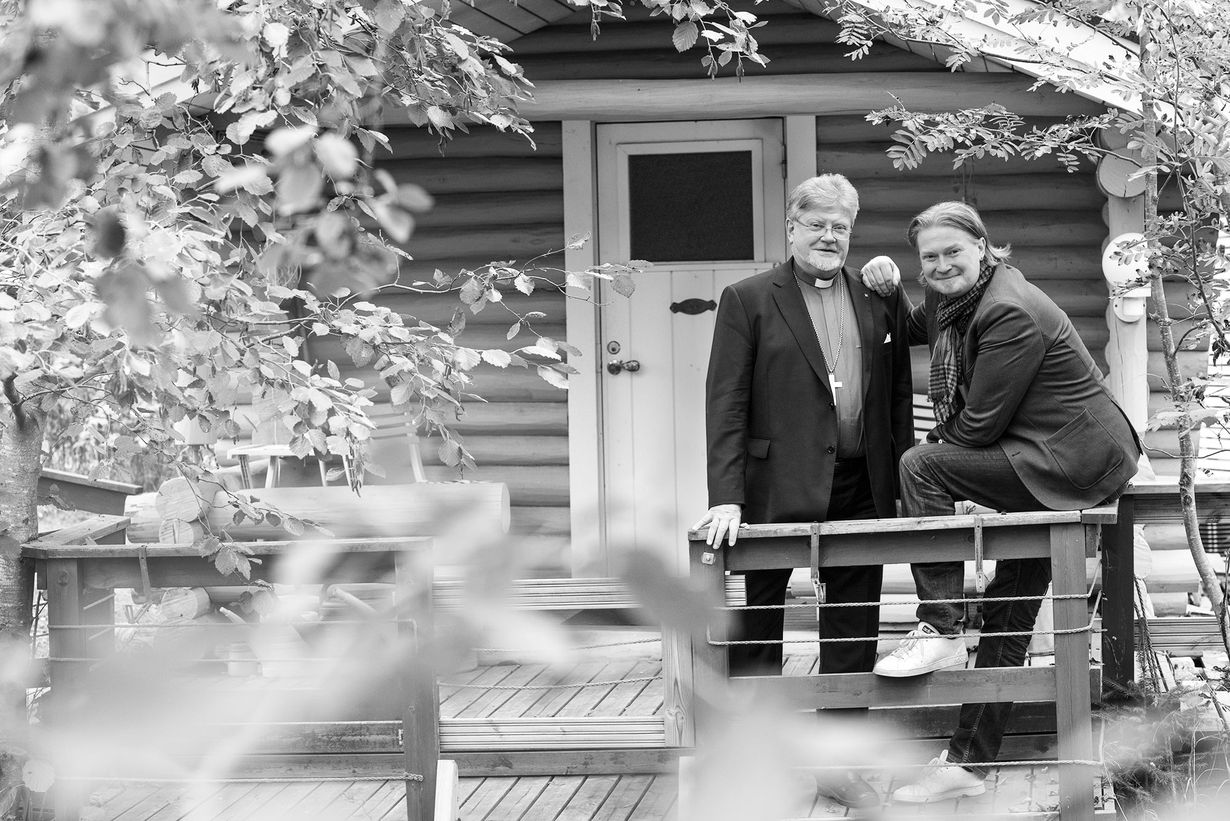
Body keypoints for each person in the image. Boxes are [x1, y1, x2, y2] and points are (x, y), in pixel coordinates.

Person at [860, 201, 1140, 802]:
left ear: (983, 246)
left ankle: (939, 624)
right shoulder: (956, 298)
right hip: (1037, 455)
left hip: (1073, 460)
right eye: (929, 257)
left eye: (953, 252)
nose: (941, 265)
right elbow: (912, 327)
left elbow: (978, 428)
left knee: (920, 464)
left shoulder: (1008, 310)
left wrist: (954, 482)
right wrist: (885, 283)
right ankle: (968, 765)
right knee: (1009, 614)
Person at [692, 173, 913, 809]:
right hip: (770, 487)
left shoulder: (876, 296)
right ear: (791, 228)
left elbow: (897, 391)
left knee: (852, 627)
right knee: (758, 627)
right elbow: (726, 401)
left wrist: (900, 479)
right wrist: (726, 494)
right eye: (816, 223)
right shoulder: (748, 298)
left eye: (840, 226)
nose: (828, 236)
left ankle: (838, 764)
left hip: (861, 484)